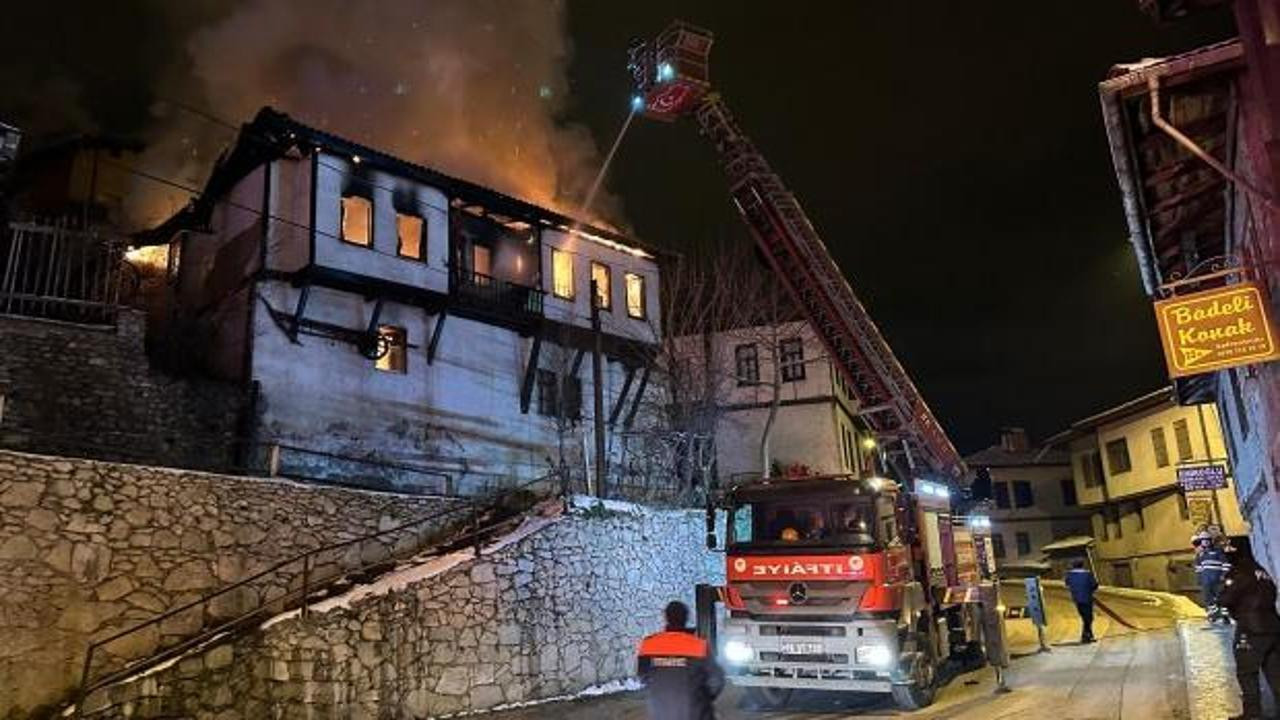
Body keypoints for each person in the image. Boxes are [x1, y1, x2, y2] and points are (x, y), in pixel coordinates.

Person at [1216, 539, 1280, 720]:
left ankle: (1252, 714)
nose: (1227, 552)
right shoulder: (1262, 571)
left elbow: (1225, 598)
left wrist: (1223, 593)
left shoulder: (1237, 572)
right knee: (1275, 673)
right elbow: (1273, 593)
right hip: (1273, 627)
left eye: (1229, 548)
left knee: (1247, 672)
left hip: (1250, 629)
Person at [637, 601, 725, 720]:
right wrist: (705, 698)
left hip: (661, 713)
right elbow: (717, 680)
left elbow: (643, 676)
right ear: (686, 618)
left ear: (666, 617)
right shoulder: (698, 646)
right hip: (694, 712)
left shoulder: (648, 644)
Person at [1194, 528, 1232, 623]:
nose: (1205, 542)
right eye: (1203, 540)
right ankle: (1214, 615)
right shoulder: (1200, 555)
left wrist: (1223, 575)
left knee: (1221, 597)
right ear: (1201, 542)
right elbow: (1198, 568)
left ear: (1210, 541)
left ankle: (1225, 616)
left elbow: (1226, 564)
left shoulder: (1218, 551)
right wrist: (1199, 579)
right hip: (1206, 581)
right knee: (1208, 598)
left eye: (1207, 540)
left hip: (1218, 579)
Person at [1064, 559, 1099, 643]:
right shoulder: (1087, 574)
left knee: (1085, 617)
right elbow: (1094, 585)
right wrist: (1090, 590)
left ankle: (1089, 635)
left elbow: (1067, 584)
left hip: (1076, 599)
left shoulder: (1069, 575)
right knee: (1088, 617)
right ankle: (1086, 636)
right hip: (1087, 598)